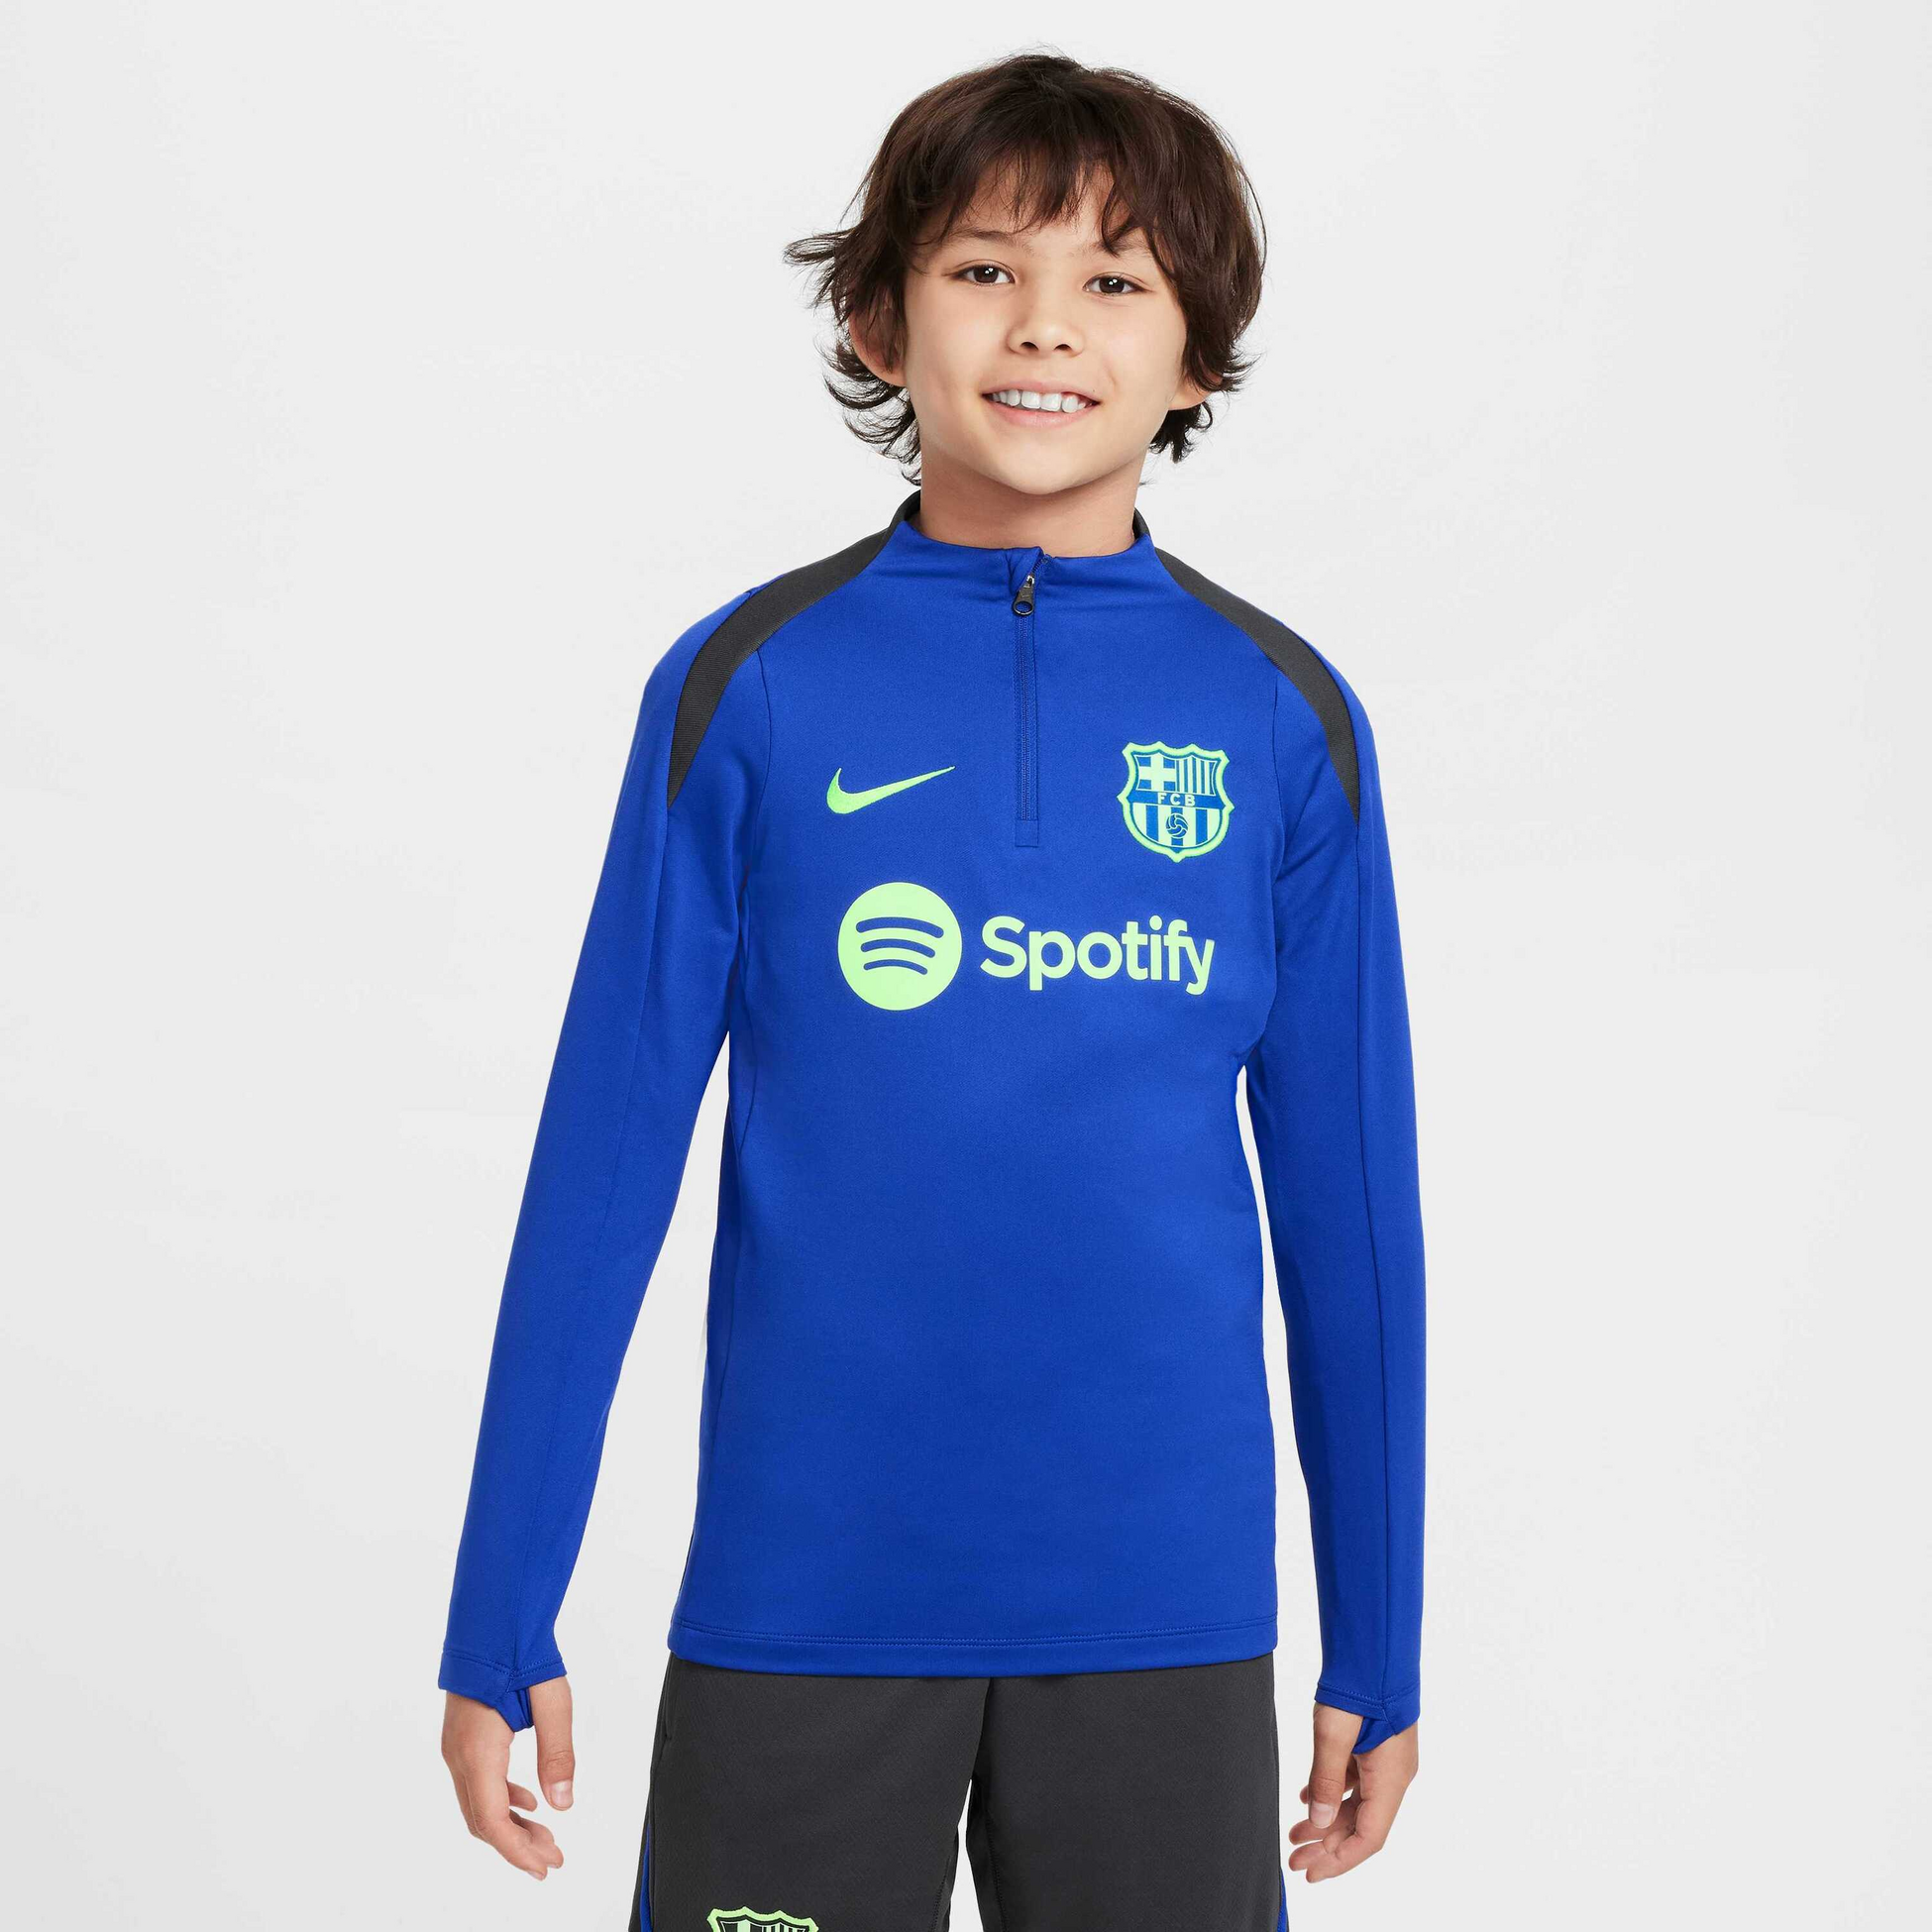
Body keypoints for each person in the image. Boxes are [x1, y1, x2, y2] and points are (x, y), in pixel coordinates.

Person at [438, 50, 1425, 1931]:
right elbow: (599, 1168)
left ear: (1195, 358)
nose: (1043, 324)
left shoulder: (1276, 717)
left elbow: (1351, 1213)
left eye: (1113, 279)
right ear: (881, 322)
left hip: (1159, 1617)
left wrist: (1378, 1635)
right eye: (984, 269)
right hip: (802, 1601)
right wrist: (501, 1599)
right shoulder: (750, 686)